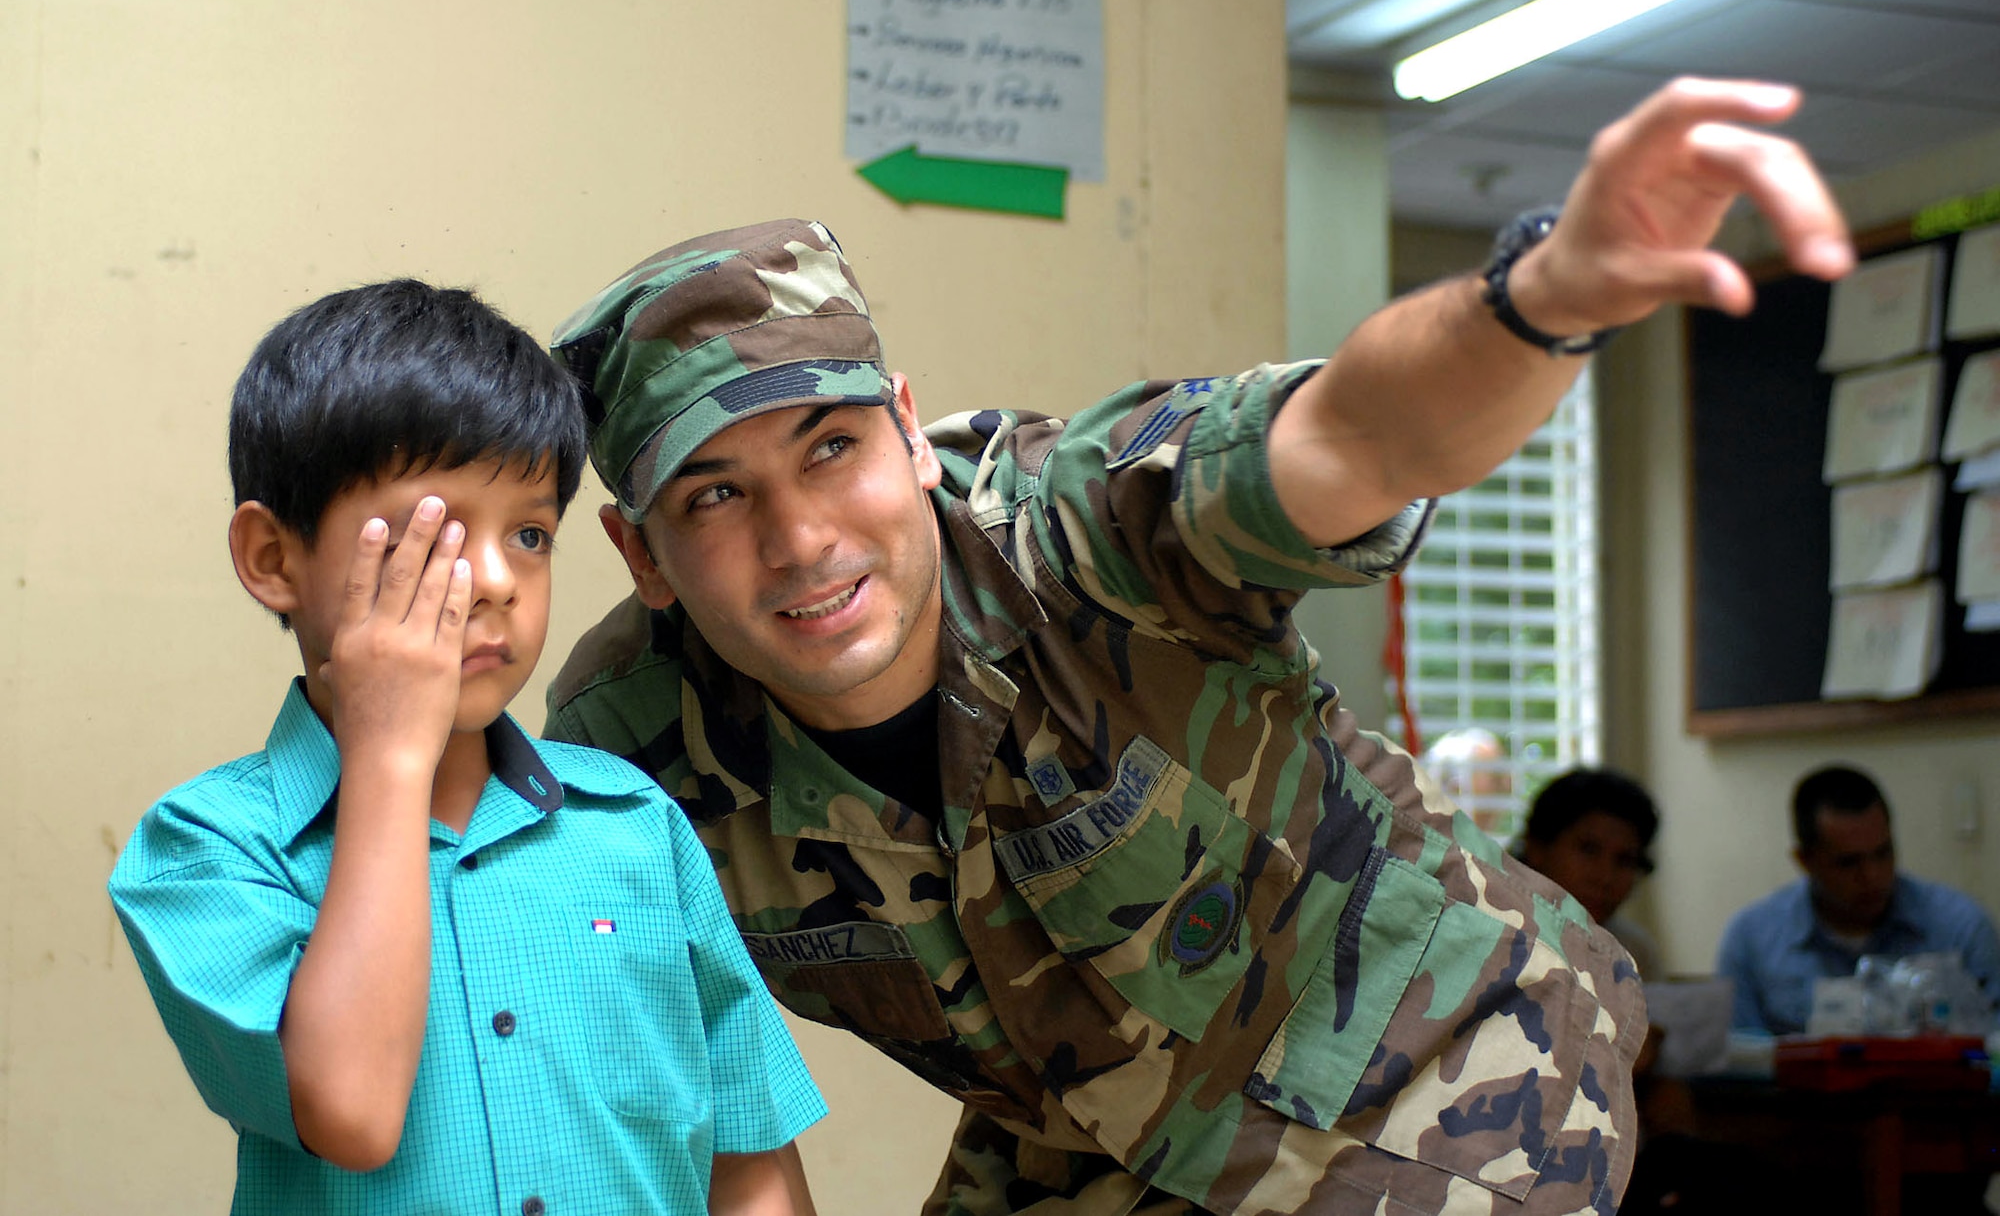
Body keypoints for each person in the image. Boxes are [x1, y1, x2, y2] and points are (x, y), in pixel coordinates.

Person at [543, 77, 1851, 1216]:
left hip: (1434, 1073)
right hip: (1085, 1137)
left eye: (830, 447)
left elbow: (1355, 436)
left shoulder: (1091, 523)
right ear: (641, 551)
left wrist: (1540, 299)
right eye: (714, 493)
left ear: (905, 424)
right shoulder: (631, 739)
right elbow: (672, 1077)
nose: (800, 535)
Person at [108, 281, 825, 1214]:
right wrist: (391, 756)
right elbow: (353, 1112)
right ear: (274, 559)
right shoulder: (204, 848)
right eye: (432, 533)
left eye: (530, 534)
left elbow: (749, 1160)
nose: (494, 580)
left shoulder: (638, 823)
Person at [1716, 763, 2000, 1036]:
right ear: (1805, 861)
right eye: (1848, 863)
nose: (1872, 876)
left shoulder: (1960, 928)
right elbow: (1741, 1069)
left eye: (1883, 853)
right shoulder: (1752, 940)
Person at [1519, 768, 1662, 977]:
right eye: (1589, 850)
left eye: (1624, 861)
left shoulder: (1631, 954)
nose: (1605, 878)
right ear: (1538, 848)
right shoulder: (1483, 939)